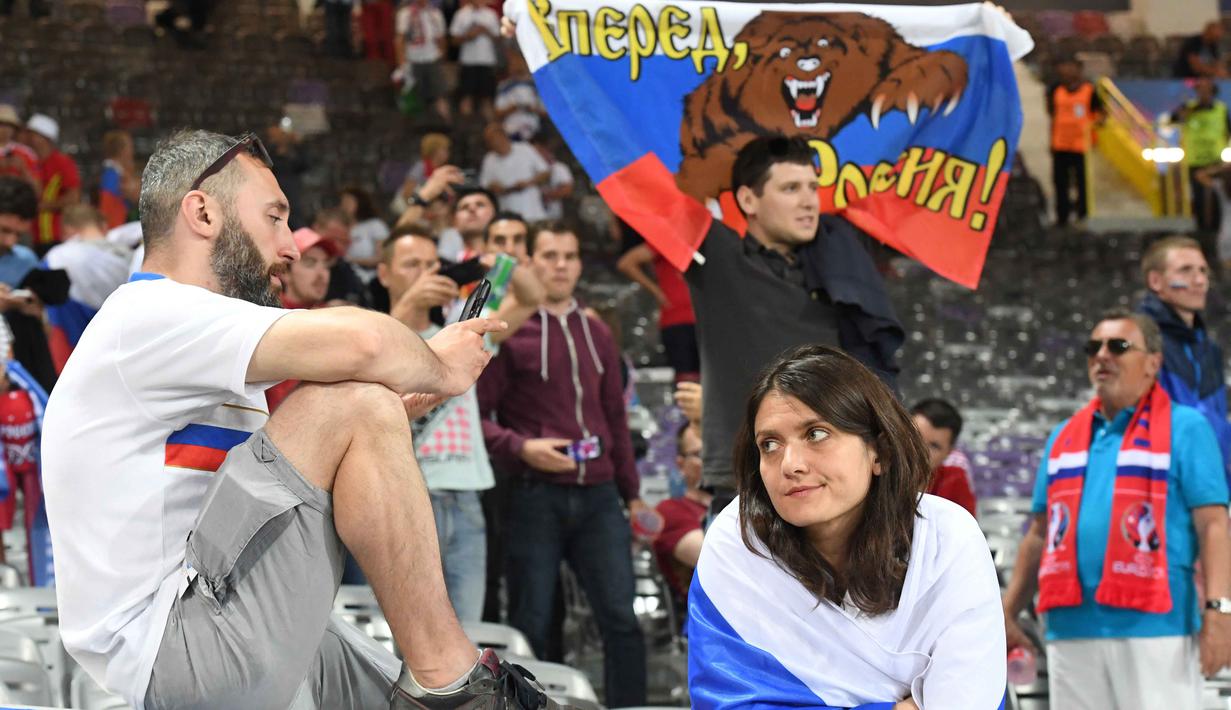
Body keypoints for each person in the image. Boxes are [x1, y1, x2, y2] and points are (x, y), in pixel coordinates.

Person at [40, 129, 558, 709]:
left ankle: (450, 685)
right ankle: (452, 680)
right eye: (275, 217)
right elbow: (365, 341)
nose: (288, 246)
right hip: (178, 643)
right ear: (202, 212)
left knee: (361, 400)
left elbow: (287, 481)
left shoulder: (177, 342)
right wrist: (439, 367)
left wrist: (391, 414)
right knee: (349, 397)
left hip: (213, 619)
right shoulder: (146, 314)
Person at [689, 344, 1005, 708]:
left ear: (880, 452)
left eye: (816, 434)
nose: (790, 464)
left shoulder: (947, 540)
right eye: (770, 444)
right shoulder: (737, 544)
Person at [1001, 309, 1231, 709]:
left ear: (1153, 363)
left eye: (1118, 346)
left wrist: (1220, 611)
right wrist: (1007, 612)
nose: (1102, 355)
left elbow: (1214, 525)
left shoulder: (1187, 427)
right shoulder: (1063, 436)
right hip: (1069, 627)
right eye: (1094, 347)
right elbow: (1039, 533)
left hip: (1156, 628)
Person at [682, 135, 902, 517]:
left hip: (834, 496)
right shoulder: (717, 259)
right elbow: (648, 187)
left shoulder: (844, 271)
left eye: (813, 187)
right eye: (790, 188)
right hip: (745, 496)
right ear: (748, 200)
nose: (808, 201)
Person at [477, 222, 647, 707]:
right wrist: (520, 448)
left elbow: (615, 414)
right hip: (534, 492)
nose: (561, 265)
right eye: (549, 255)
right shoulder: (510, 331)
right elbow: (477, 417)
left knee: (621, 617)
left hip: (598, 495)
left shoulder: (597, 331)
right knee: (531, 619)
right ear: (529, 263)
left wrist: (631, 494)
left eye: (569, 256)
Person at [380, 225, 496, 622]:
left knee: (466, 638)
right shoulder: (369, 332)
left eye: (434, 265)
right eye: (413, 265)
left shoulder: (463, 334)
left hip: (467, 496)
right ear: (383, 274)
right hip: (403, 498)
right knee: (404, 635)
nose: (428, 275)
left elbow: (529, 297)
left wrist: (497, 264)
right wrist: (409, 305)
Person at [1137, 236, 1231, 480]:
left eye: (1203, 271)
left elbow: (1215, 423)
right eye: (1185, 270)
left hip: (1210, 486)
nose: (1199, 280)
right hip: (1166, 488)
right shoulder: (1139, 341)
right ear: (1155, 281)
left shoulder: (1209, 348)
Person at [42, 205, 131, 369]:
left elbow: (47, 313)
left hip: (71, 349)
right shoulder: (132, 257)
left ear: (67, 230)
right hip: (119, 348)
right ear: (103, 227)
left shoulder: (57, 258)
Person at [616, 227, 699, 382]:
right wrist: (657, 291)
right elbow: (626, 263)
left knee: (707, 380)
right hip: (677, 320)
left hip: (703, 321)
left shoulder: (703, 240)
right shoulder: (667, 239)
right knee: (686, 381)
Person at [652, 423, 709, 613]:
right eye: (700, 454)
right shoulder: (669, 511)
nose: (711, 459)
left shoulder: (746, 503)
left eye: (718, 451)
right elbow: (717, 561)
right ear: (680, 464)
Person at [1047, 56, 1102, 227]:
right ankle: (1062, 218)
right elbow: (1052, 115)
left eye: (1070, 66)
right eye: (1063, 66)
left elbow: (1100, 113)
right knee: (1060, 183)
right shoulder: (1054, 90)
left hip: (1081, 146)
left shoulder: (1090, 90)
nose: (1066, 70)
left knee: (1082, 184)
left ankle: (1082, 216)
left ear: (1078, 69)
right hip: (1060, 145)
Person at [1174, 78, 1231, 236]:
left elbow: (1227, 132)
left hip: (1215, 163)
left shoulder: (1221, 109)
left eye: (1206, 90)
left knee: (1218, 199)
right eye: (1200, 90)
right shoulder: (1189, 109)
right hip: (1196, 162)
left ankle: (1217, 232)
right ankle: (1203, 235)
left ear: (1212, 92)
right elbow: (1175, 119)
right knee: (1199, 199)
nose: (1203, 93)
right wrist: (1186, 111)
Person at [910, 398, 977, 517]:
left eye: (934, 446)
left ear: (948, 452)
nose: (920, 450)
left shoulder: (955, 480)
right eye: (915, 437)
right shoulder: (876, 470)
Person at [25, 114, 81, 249]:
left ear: (46, 138)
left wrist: (42, 206)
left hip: (55, 237)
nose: (28, 139)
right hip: (28, 237)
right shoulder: (26, 161)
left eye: (33, 135)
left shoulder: (62, 162)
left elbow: (73, 197)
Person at [479, 123, 549, 222]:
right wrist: (494, 187)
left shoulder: (525, 148)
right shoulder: (489, 159)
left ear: (504, 136)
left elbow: (545, 172)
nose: (495, 143)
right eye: (491, 142)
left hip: (533, 212)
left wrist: (528, 183)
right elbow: (485, 185)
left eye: (497, 139)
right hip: (507, 214)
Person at [396, 0, 450, 121]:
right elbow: (399, 40)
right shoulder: (405, 14)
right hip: (413, 61)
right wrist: (402, 64)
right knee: (414, 98)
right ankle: (412, 129)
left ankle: (446, 125)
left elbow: (441, 38)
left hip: (432, 59)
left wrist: (442, 58)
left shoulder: (435, 14)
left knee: (440, 96)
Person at [450, 0, 501, 119]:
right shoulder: (461, 14)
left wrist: (486, 31)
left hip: (487, 61)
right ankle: (466, 128)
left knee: (487, 99)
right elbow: (453, 41)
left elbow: (498, 39)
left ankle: (491, 128)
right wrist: (469, 35)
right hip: (468, 61)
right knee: (466, 98)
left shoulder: (491, 14)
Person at [314, 207, 370, 306]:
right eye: (333, 239)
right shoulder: (292, 262)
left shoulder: (349, 275)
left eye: (344, 242)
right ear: (316, 229)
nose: (338, 247)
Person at [339, 185, 389, 279]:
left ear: (360, 203)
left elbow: (382, 257)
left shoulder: (375, 225)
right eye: (343, 202)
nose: (344, 206)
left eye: (349, 202)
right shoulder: (341, 227)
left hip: (373, 278)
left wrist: (352, 260)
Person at [495, 51, 544, 142]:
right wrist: (514, 108)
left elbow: (545, 112)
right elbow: (498, 112)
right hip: (511, 132)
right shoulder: (504, 86)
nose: (515, 65)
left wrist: (532, 109)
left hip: (534, 133)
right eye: (512, 63)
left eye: (518, 61)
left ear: (525, 62)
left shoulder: (536, 85)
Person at [99, 129, 141, 229]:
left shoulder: (120, 171)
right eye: (130, 146)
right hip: (116, 225)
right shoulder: (111, 174)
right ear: (122, 150)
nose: (132, 150)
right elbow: (137, 196)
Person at [0, 106, 37, 188]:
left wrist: (22, 169)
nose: (5, 129)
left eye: (9, 125)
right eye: (1, 124)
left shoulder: (26, 153)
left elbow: (36, 188)